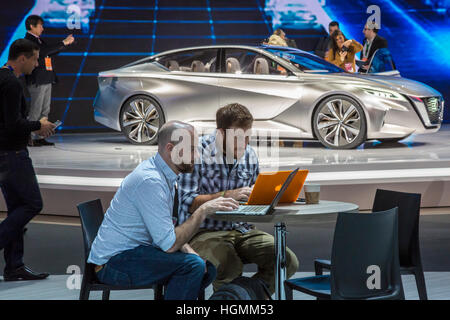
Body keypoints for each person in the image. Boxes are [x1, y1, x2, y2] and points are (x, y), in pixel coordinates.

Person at [88, 121, 239, 300]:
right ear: (170, 148)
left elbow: (165, 231)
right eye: (191, 149)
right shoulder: (150, 181)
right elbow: (169, 245)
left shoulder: (165, 176)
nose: (196, 156)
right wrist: (202, 211)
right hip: (113, 265)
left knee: (205, 267)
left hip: (133, 253)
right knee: (192, 267)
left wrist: (189, 250)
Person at [178, 103, 299, 294]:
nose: (244, 144)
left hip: (242, 230)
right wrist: (226, 195)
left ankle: (243, 298)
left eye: (247, 137)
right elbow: (188, 202)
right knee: (229, 266)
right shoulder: (196, 152)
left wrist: (270, 197)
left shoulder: (249, 155)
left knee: (286, 260)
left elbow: (253, 198)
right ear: (221, 133)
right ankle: (239, 299)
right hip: (204, 232)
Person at [0, 39, 56, 281]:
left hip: (4, 154)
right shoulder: (11, 83)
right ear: (21, 57)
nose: (37, 63)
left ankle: (14, 266)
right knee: (33, 204)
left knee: (16, 208)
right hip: (13, 155)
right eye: (34, 58)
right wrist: (38, 126)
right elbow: (13, 124)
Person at [24, 15, 74, 147]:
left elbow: (49, 52)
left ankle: (40, 136)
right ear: (32, 26)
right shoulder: (28, 41)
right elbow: (43, 52)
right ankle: (31, 138)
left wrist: (64, 45)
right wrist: (63, 43)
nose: (42, 28)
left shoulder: (39, 40)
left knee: (44, 110)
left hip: (46, 78)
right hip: (37, 80)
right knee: (36, 110)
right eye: (40, 26)